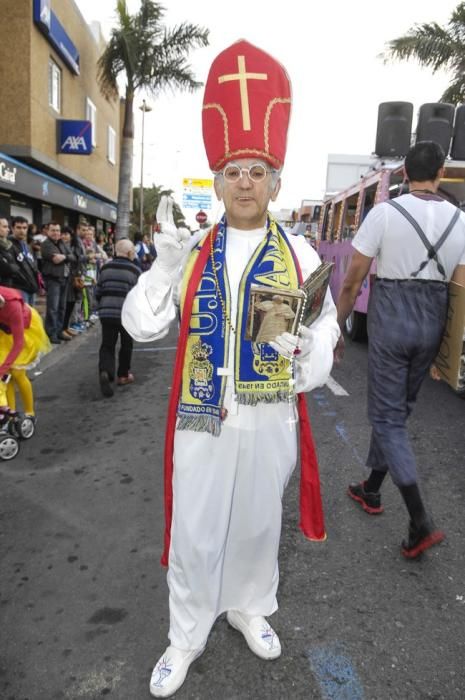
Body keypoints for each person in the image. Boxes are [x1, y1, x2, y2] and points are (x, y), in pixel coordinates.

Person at [122, 40, 340, 698]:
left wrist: (316, 352)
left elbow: (323, 321)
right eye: (233, 170)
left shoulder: (299, 253)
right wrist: (160, 268)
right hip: (201, 420)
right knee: (194, 531)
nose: (244, 181)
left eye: (256, 170)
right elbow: (139, 326)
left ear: (275, 180)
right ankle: (184, 635)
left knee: (256, 526)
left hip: (268, 417)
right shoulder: (188, 252)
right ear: (216, 180)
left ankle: (249, 606)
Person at [336, 140, 465, 559]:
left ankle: (420, 519)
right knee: (397, 411)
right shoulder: (461, 220)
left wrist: (337, 326)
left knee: (388, 417)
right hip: (433, 319)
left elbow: (353, 279)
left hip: (391, 316)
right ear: (442, 173)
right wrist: (447, 350)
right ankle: (371, 489)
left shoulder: (384, 214)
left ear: (405, 174)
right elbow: (460, 289)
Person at [95, 239, 140, 398]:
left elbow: (98, 291)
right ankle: (123, 375)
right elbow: (139, 295)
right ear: (129, 253)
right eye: (133, 251)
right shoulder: (135, 270)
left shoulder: (105, 268)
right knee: (126, 344)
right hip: (126, 314)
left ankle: (106, 371)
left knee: (107, 344)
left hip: (106, 312)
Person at [0, 285, 50, 417]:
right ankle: (9, 413)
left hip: (24, 330)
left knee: (17, 373)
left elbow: (19, 343)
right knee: (6, 378)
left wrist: (3, 368)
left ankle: (30, 412)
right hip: (3, 332)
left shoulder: (13, 307)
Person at [41, 221, 76, 344]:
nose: (56, 233)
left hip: (64, 279)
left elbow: (73, 257)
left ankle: (59, 331)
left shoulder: (61, 243)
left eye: (57, 230)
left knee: (62, 307)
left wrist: (64, 257)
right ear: (48, 231)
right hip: (53, 280)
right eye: (53, 230)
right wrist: (66, 257)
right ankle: (51, 333)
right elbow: (55, 260)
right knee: (53, 308)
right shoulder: (46, 244)